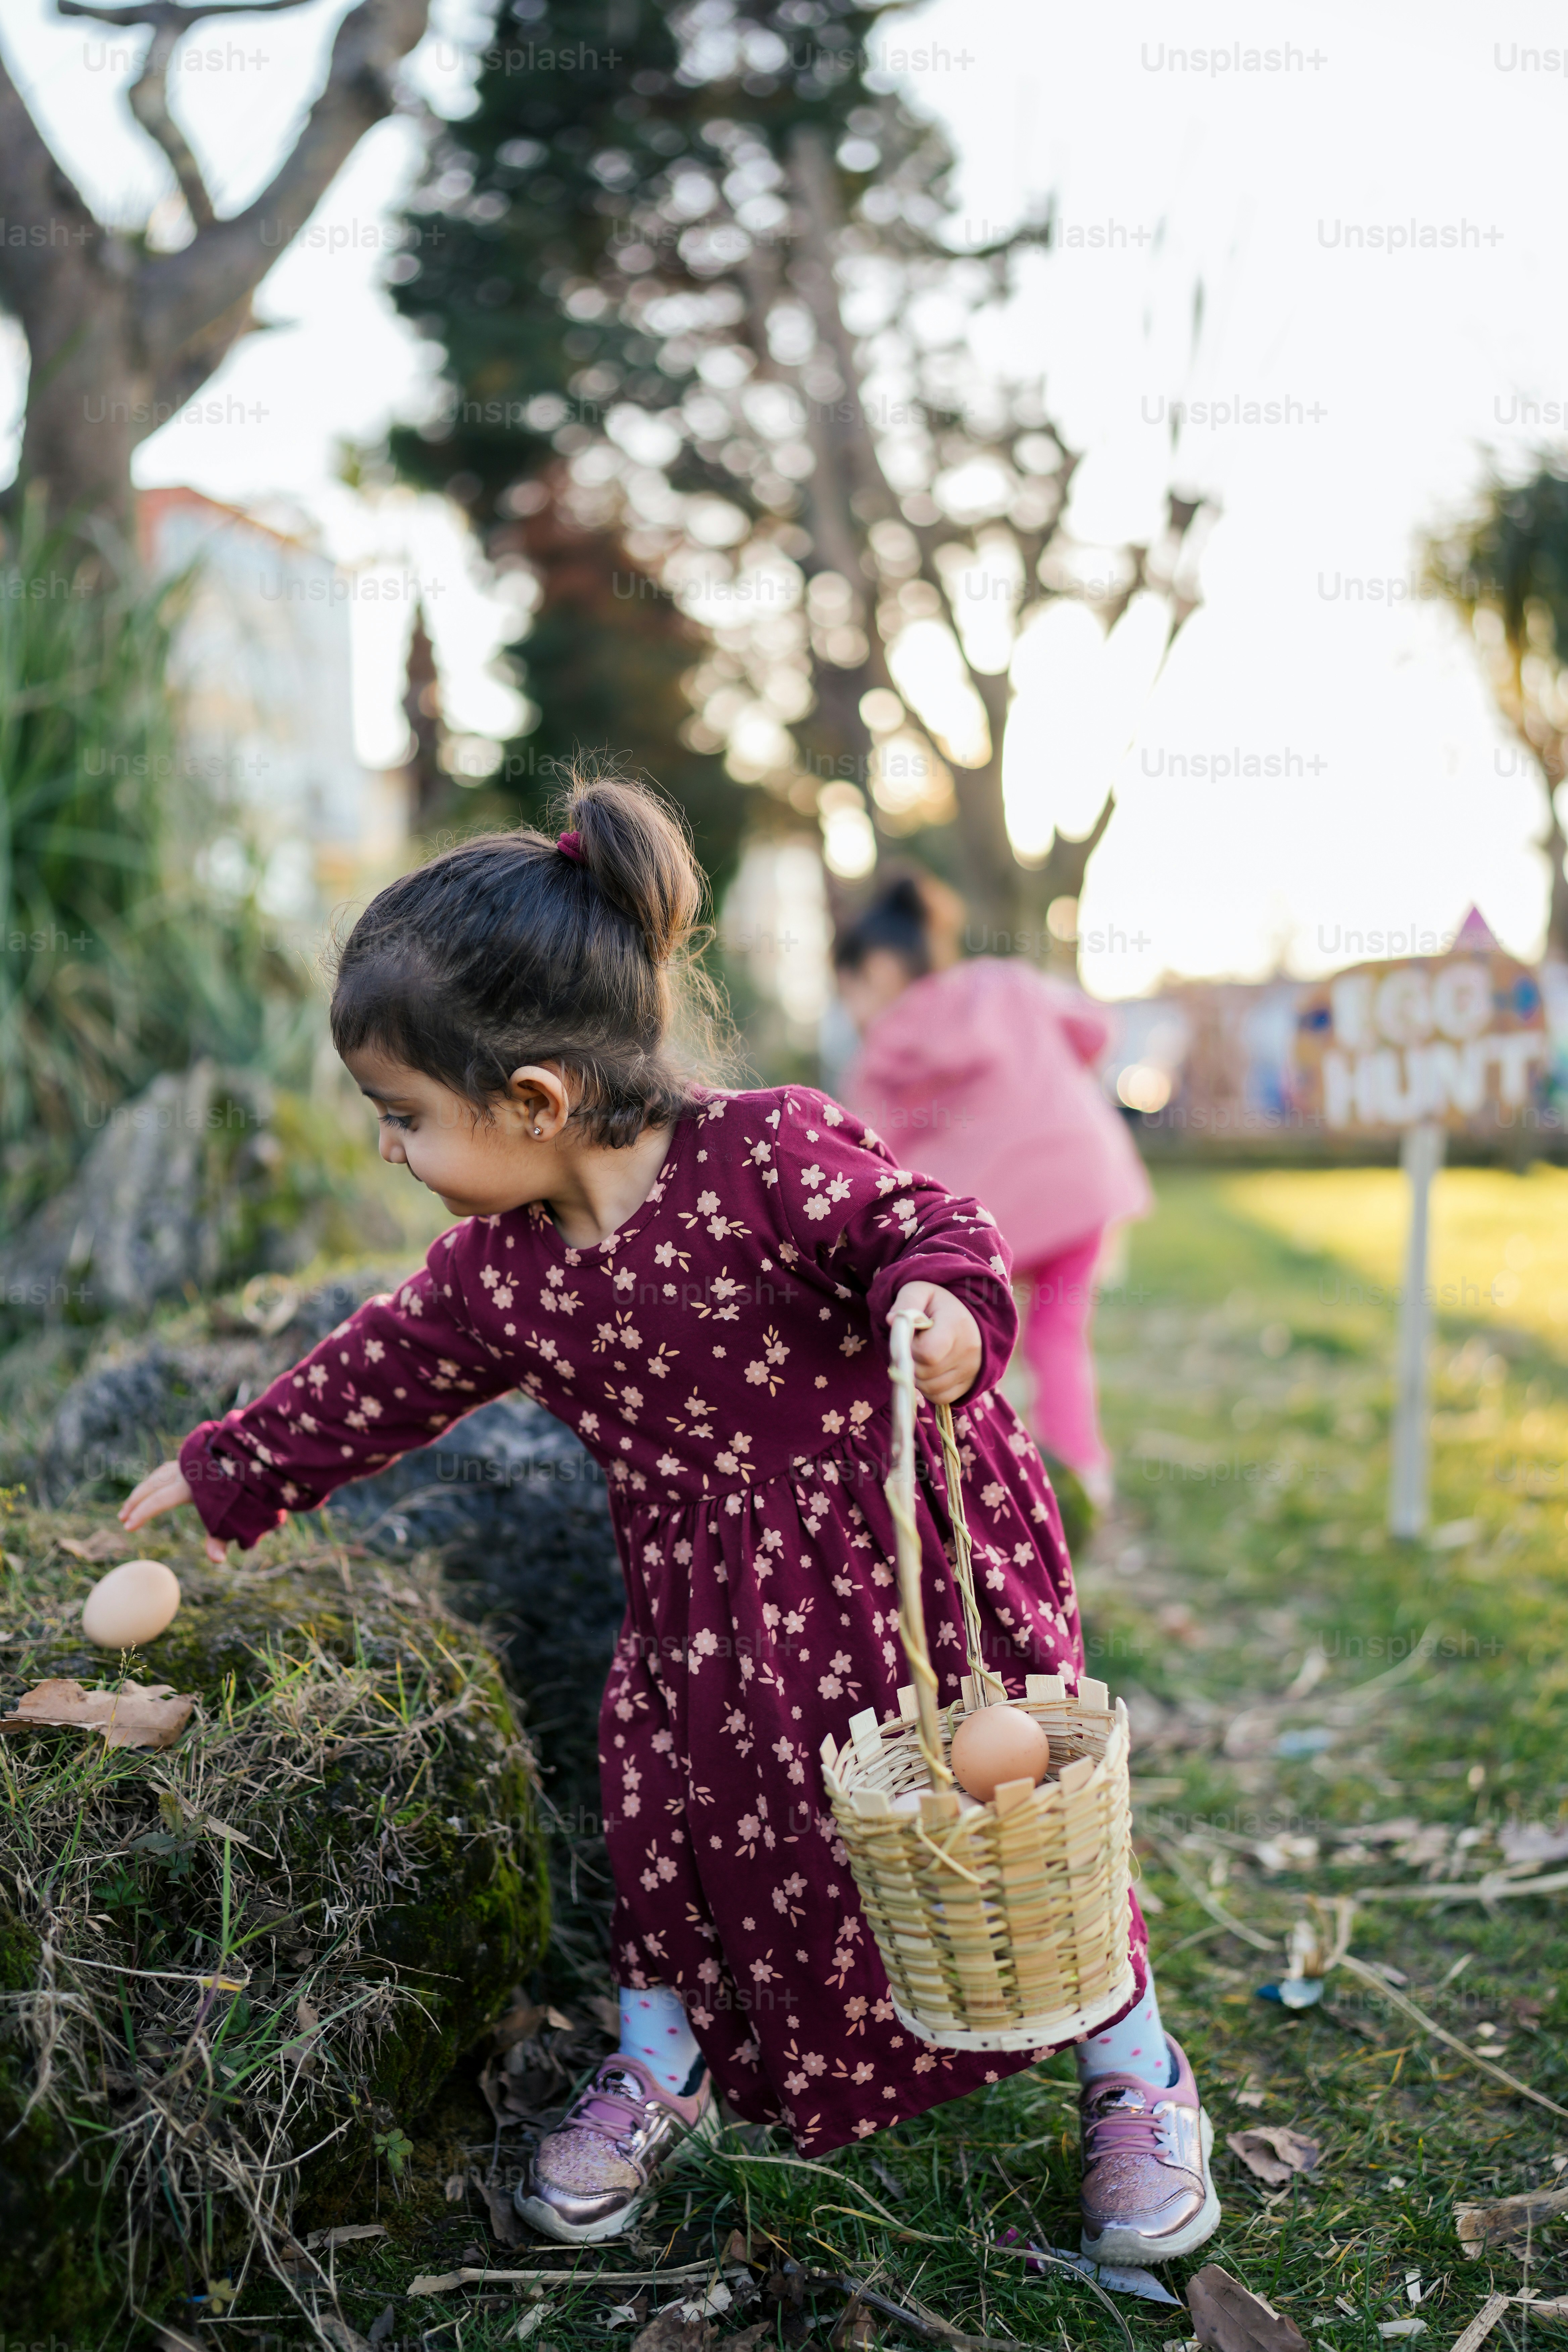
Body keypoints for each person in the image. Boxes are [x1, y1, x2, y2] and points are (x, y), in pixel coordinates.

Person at [120, 776, 1215, 2265]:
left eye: (402, 1116)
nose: (390, 1149)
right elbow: (383, 1371)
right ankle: (666, 2059)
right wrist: (231, 1461)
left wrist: (942, 1316)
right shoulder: (498, 1272)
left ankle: (1131, 2064)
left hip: (909, 1559)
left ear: (534, 1102)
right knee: (681, 1821)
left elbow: (928, 1226)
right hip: (710, 1609)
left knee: (1007, 1816)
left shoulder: (767, 1153)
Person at [835, 873, 1150, 1508]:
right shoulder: (1005, 982)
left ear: (880, 969)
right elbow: (1095, 1030)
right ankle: (1084, 1474)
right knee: (1060, 1333)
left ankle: (988, 1479)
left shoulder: (885, 1050)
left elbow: (870, 1158)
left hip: (989, 1219)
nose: (852, 1012)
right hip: (1083, 1175)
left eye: (850, 992)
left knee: (977, 1343)